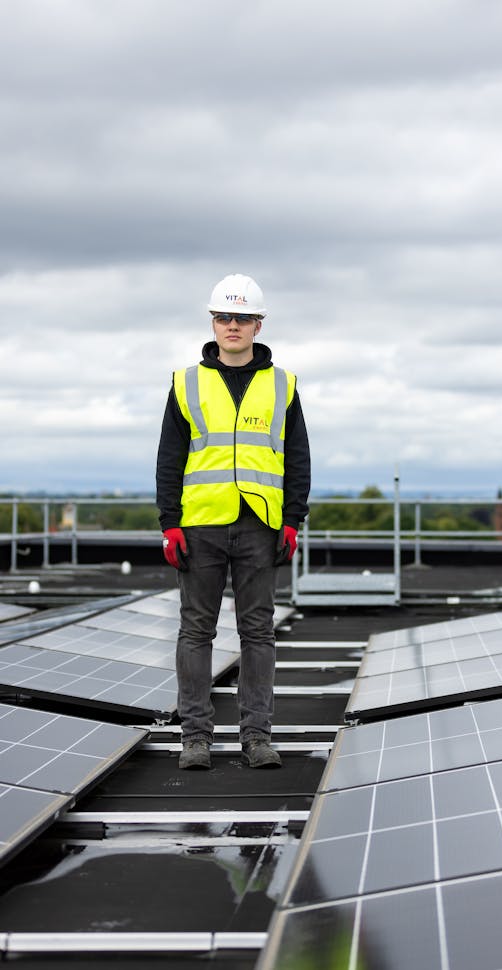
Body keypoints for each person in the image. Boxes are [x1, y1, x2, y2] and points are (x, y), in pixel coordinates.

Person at [156, 274, 310, 770]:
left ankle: (257, 737)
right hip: (200, 525)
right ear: (213, 322)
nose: (233, 326)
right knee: (196, 632)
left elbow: (297, 457)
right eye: (224, 317)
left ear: (258, 324)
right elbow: (170, 457)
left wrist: (292, 520)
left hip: (260, 526)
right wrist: (169, 523)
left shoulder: (283, 384)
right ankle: (195, 738)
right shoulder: (186, 382)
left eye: (243, 318)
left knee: (257, 632)